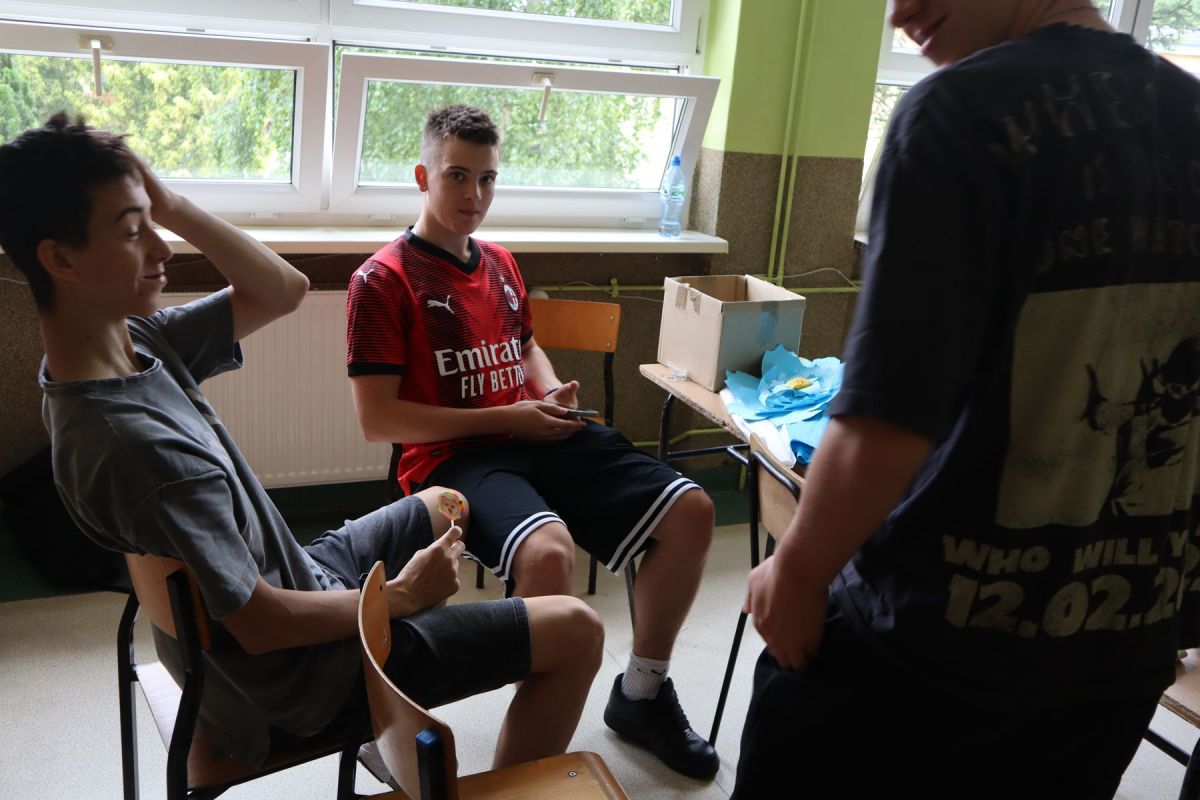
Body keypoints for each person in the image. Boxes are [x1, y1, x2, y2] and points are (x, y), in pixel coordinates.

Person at [0, 114, 604, 774]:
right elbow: (262, 626)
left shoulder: (131, 346)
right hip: (298, 679)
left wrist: (169, 203)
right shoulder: (133, 445)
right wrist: (401, 597)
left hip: (294, 579)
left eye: (153, 223)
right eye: (131, 230)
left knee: (446, 501)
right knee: (578, 628)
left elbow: (282, 289)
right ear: (60, 259)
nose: (162, 249)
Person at [736, 1, 1200, 797]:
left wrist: (800, 572)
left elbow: (889, 415)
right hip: (1116, 654)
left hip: (923, 657)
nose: (897, 13)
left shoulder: (959, 111)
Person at [345, 104, 720, 780]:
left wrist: (545, 393)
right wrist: (509, 418)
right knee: (547, 553)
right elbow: (380, 421)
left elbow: (525, 347)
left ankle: (642, 693)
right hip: (452, 457)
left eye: (487, 179)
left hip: (529, 430)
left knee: (691, 509)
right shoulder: (383, 279)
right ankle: (519, 770)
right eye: (457, 176)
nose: (474, 195)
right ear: (423, 176)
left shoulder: (500, 263)